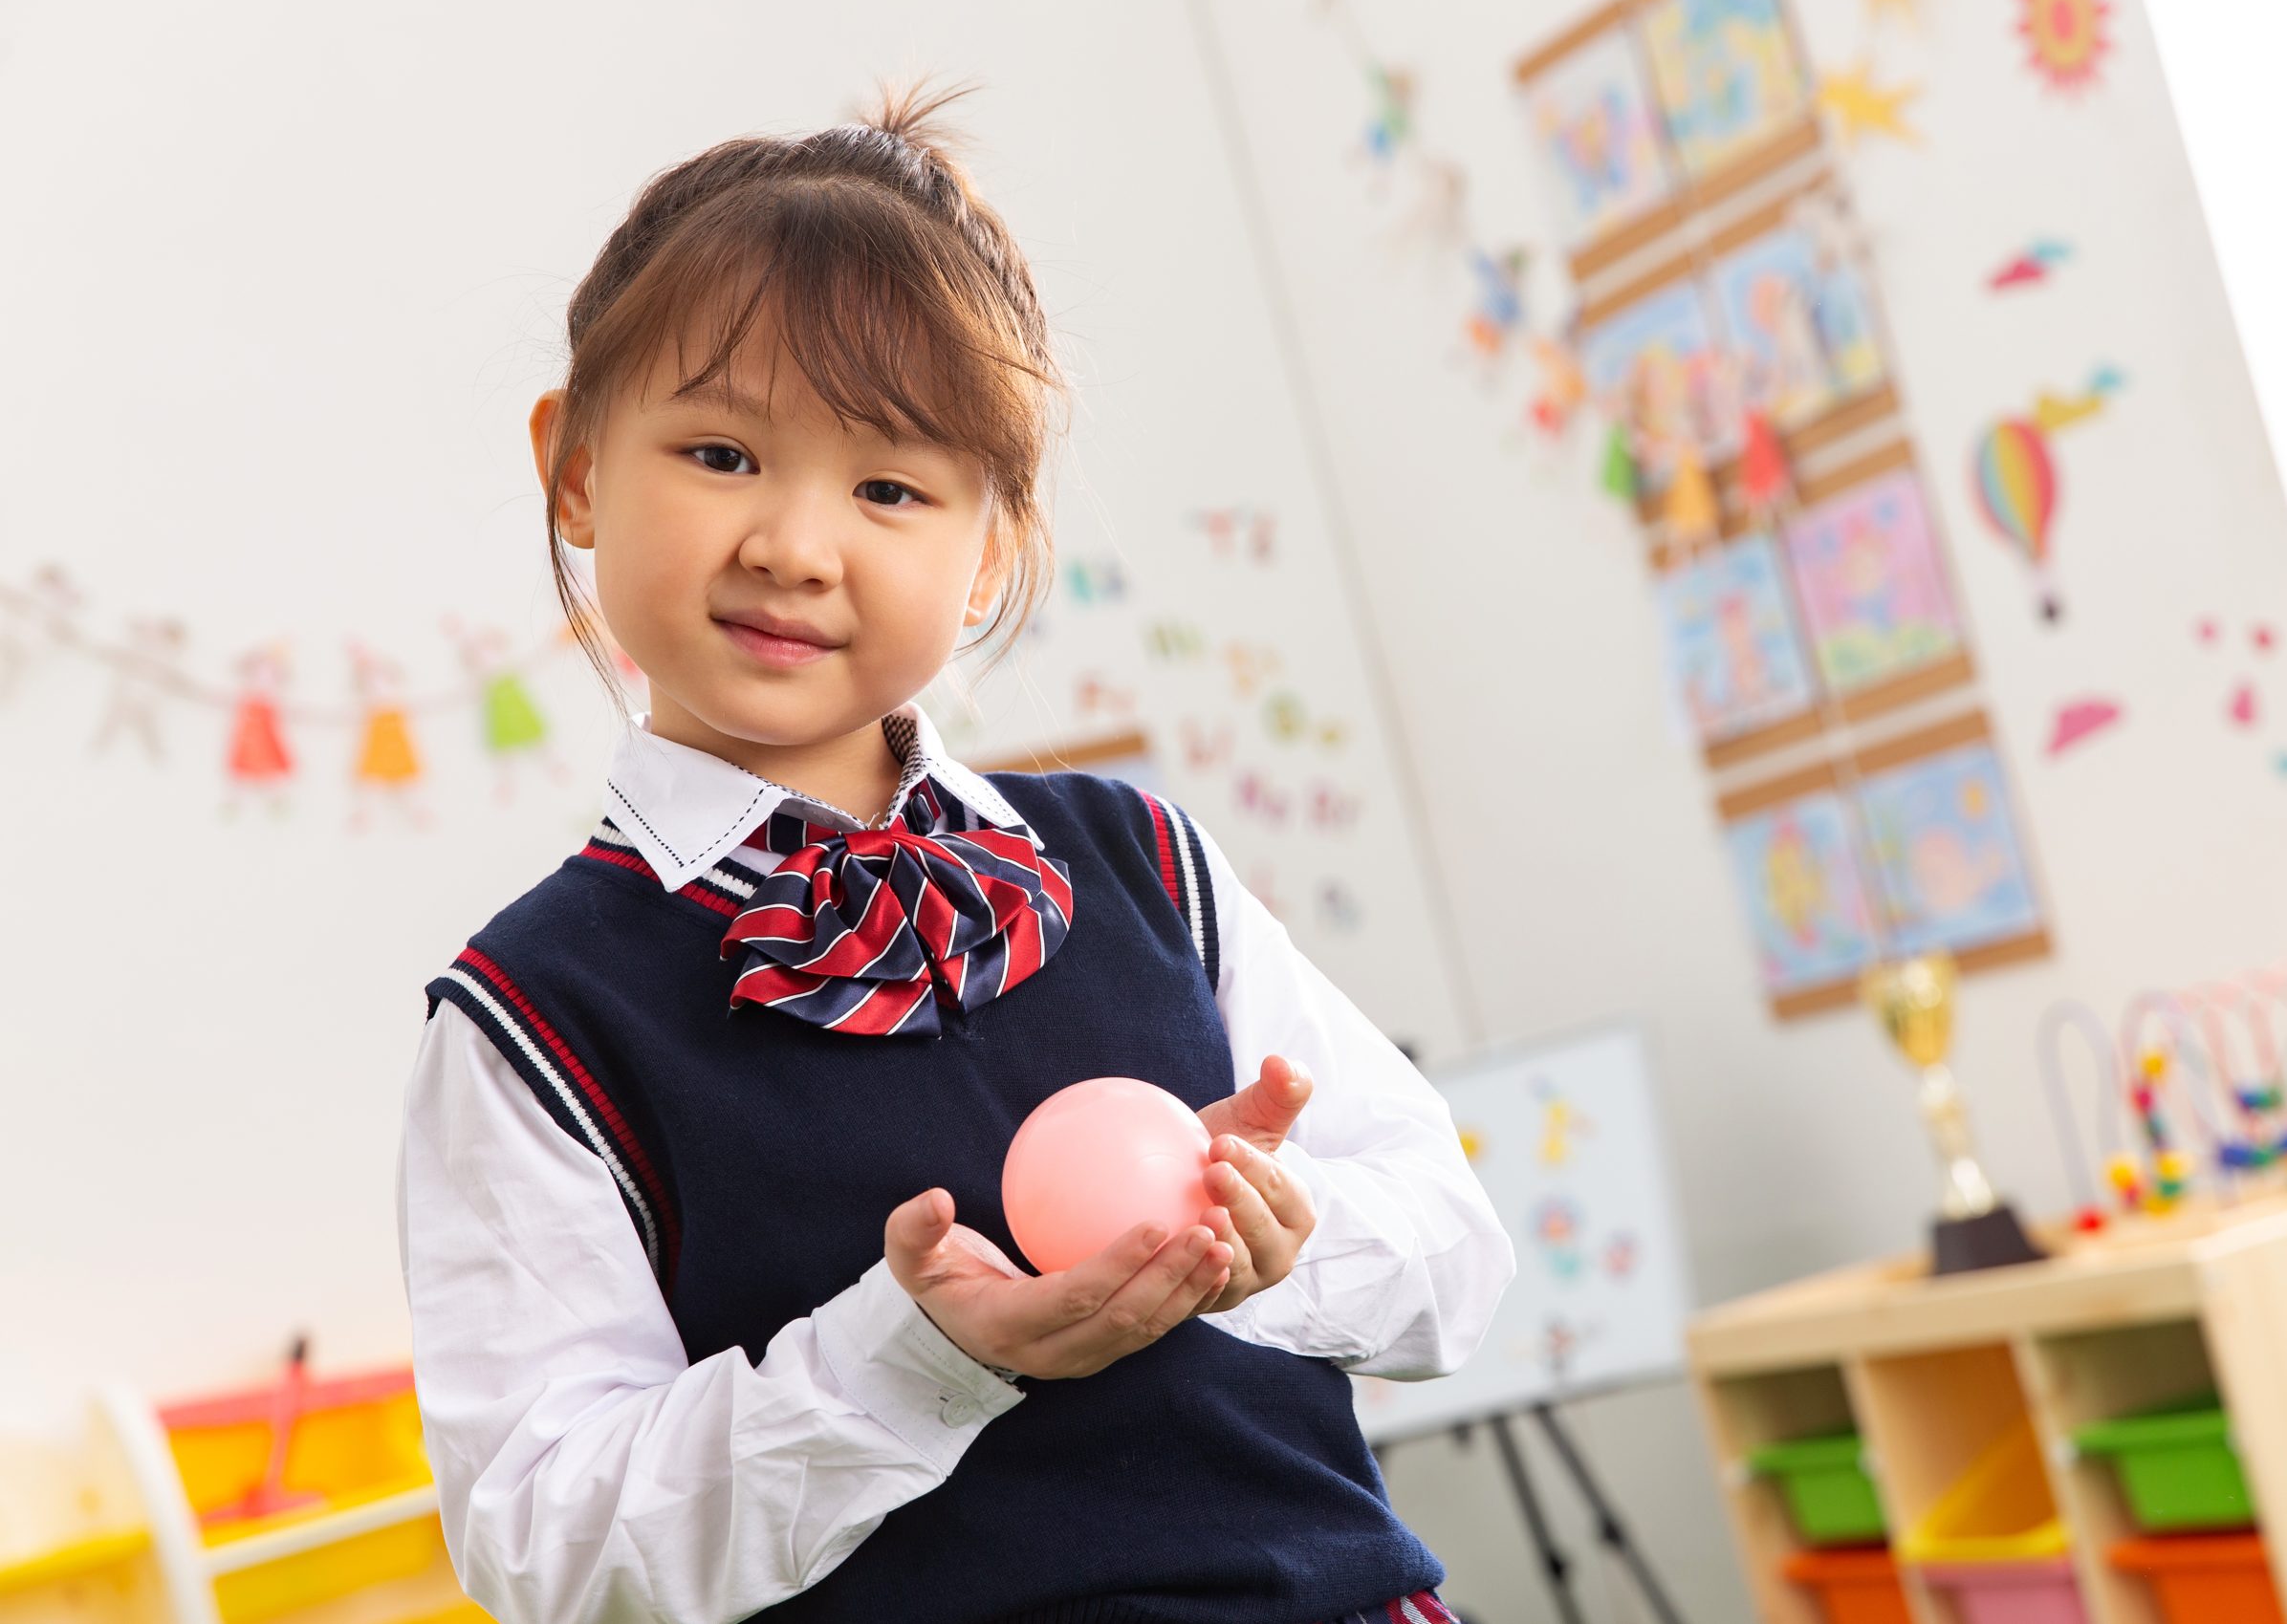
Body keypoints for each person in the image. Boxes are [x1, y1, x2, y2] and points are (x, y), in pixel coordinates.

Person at [396, 81, 1514, 1624]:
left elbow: (1455, 1248)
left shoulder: (1141, 862)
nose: (796, 542)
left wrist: (1269, 1242)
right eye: (721, 454)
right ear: (577, 465)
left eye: (889, 488)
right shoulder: (532, 1019)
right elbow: (549, 1550)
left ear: (989, 541)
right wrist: (922, 1356)